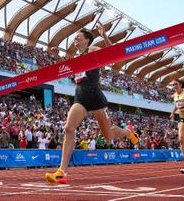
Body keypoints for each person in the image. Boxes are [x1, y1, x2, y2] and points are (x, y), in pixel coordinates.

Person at [45, 22, 138, 184]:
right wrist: (56, 58)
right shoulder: (75, 58)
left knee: (108, 135)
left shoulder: (92, 50)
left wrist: (104, 35)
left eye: (78, 37)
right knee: (68, 128)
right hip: (80, 97)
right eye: (74, 38)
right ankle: (61, 172)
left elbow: (114, 55)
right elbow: (68, 72)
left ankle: (127, 132)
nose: (75, 39)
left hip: (94, 96)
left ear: (87, 40)